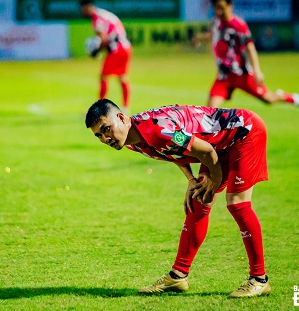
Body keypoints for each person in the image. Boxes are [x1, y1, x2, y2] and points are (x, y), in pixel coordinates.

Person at [85, 99, 271, 298]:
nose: (105, 139)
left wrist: (215, 179)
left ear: (121, 118)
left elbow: (205, 150)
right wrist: (191, 179)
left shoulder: (156, 130)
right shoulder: (132, 139)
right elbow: (171, 151)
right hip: (219, 146)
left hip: (244, 131)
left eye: (107, 129)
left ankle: (260, 279)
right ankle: (178, 276)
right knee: (198, 203)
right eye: (99, 136)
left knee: (237, 204)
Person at [200, 0, 299, 111]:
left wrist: (257, 71)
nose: (219, 12)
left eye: (222, 8)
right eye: (216, 8)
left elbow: (250, 48)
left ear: (230, 5)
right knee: (209, 112)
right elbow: (214, 35)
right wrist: (199, 38)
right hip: (224, 76)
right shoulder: (215, 23)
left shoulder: (239, 25)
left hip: (242, 74)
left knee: (268, 99)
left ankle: (291, 98)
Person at [80, 0, 132, 114]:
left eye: (83, 10)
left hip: (117, 48)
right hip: (125, 47)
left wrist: (96, 51)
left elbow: (103, 39)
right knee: (122, 77)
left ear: (87, 7)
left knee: (104, 76)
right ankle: (125, 107)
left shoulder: (96, 18)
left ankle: (99, 109)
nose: (82, 13)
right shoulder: (103, 14)